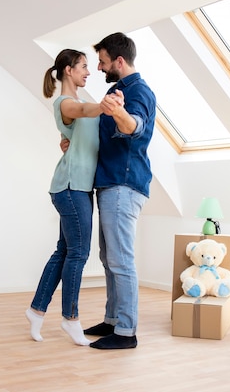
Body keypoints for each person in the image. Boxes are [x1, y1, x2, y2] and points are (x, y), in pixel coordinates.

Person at [26, 49, 114, 346]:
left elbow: (84, 130)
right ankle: (70, 318)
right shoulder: (66, 103)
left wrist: (71, 139)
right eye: (84, 67)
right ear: (68, 70)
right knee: (78, 253)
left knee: (64, 251)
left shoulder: (80, 103)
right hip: (70, 186)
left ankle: (36, 311)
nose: (88, 72)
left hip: (77, 186)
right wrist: (104, 106)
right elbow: (84, 112)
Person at [83, 32, 157, 350]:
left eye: (102, 61)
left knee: (121, 259)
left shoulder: (138, 91)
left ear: (119, 60)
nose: (99, 67)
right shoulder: (116, 91)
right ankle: (113, 320)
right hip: (110, 183)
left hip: (124, 185)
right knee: (108, 257)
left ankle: (126, 332)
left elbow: (134, 127)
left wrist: (119, 113)